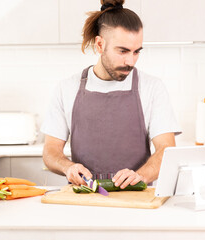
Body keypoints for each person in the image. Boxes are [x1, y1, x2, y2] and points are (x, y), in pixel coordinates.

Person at [41, 0, 181, 189]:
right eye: (123, 51)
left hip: (136, 202)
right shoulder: (66, 88)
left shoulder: (152, 88)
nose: (131, 61)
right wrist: (68, 167)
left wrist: (140, 176)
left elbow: (166, 148)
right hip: (85, 200)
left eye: (136, 52)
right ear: (100, 45)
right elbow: (50, 152)